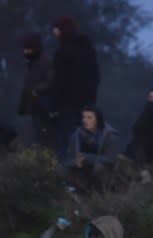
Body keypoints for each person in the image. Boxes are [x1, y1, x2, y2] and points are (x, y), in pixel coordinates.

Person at [51, 16, 100, 160]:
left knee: (67, 143)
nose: (55, 34)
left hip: (68, 106)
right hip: (87, 105)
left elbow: (60, 81)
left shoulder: (63, 52)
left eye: (57, 31)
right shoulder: (88, 50)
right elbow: (96, 77)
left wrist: (55, 106)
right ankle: (84, 178)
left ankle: (66, 179)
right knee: (86, 143)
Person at [64, 106, 120, 192]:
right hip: (81, 170)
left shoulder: (109, 135)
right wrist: (76, 162)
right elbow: (69, 156)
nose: (85, 120)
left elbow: (110, 159)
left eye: (89, 117)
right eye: (84, 117)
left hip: (103, 173)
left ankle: (99, 193)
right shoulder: (77, 134)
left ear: (97, 119)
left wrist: (87, 158)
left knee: (99, 168)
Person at [17, 32, 55, 148]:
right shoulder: (32, 64)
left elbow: (50, 82)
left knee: (43, 139)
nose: (26, 52)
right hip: (34, 107)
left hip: (42, 108)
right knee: (36, 138)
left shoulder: (45, 63)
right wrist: (23, 105)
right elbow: (28, 86)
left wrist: (37, 90)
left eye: (28, 49)